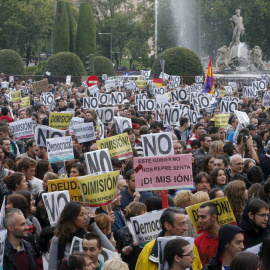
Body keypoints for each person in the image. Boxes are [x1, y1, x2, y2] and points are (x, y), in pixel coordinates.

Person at [135, 207, 202, 270]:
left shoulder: (190, 246)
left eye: (186, 223)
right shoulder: (149, 249)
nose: (186, 228)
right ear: (167, 226)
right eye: (181, 224)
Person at [49, 201, 88, 269]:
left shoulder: (88, 237)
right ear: (72, 217)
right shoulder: (57, 240)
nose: (86, 217)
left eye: (86, 214)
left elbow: (110, 249)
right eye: (81, 215)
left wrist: (94, 225)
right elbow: (52, 267)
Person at [115, 202, 146, 270]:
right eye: (144, 212)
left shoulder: (147, 231)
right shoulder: (121, 233)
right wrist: (124, 253)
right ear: (137, 215)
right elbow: (116, 255)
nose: (146, 214)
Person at [195, 202, 220, 266]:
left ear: (214, 217)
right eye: (198, 217)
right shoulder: (197, 241)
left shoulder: (227, 238)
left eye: (203, 217)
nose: (199, 220)